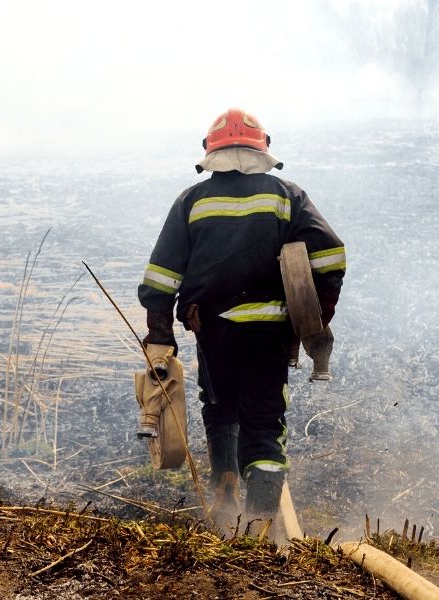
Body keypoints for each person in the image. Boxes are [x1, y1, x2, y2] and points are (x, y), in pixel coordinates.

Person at [138, 108, 345, 539]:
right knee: (266, 424)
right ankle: (259, 525)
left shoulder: (192, 201)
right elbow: (330, 258)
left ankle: (225, 492)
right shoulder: (287, 196)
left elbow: (161, 276)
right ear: (262, 150)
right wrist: (313, 321)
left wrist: (161, 339)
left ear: (209, 153)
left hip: (213, 330)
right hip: (270, 332)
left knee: (219, 405)